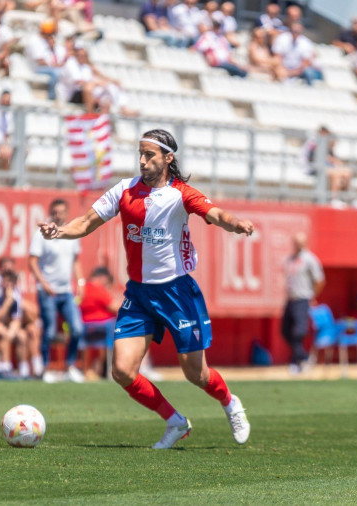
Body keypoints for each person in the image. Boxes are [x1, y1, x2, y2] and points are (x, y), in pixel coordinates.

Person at [38, 128, 252, 449]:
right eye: (140, 154)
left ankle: (230, 403)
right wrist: (59, 232)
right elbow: (85, 222)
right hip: (138, 294)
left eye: (149, 155)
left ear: (168, 158)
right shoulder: (124, 190)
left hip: (177, 293)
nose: (142, 161)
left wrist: (236, 224)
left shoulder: (181, 194)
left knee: (196, 374)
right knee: (122, 371)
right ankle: (175, 421)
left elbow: (216, 213)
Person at [29, 198, 86, 383]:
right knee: (50, 331)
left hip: (66, 291)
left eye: (61, 211)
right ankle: (45, 368)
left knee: (76, 328)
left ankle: (70, 366)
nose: (57, 215)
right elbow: (32, 261)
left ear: (66, 213)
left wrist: (80, 282)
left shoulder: (70, 232)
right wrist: (44, 284)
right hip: (48, 291)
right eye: (55, 211)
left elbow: (75, 260)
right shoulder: (42, 233)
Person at [281, 232, 325, 374]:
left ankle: (296, 362)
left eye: (301, 242)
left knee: (299, 331)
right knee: (285, 331)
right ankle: (304, 357)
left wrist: (312, 295)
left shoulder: (310, 259)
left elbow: (319, 280)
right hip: (291, 299)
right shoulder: (290, 259)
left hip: (303, 298)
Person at [300, 126, 357, 208]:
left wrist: (336, 162)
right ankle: (333, 199)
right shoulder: (313, 143)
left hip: (325, 168)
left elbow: (332, 159)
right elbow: (314, 159)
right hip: (312, 168)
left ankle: (349, 200)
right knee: (335, 174)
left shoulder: (326, 143)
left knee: (347, 172)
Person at [78, 266, 120, 378]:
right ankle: (110, 369)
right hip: (103, 326)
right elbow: (115, 307)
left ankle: (89, 369)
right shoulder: (98, 289)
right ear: (103, 278)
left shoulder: (82, 289)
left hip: (85, 326)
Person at [0, 269, 24, 378]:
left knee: (21, 335)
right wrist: (7, 303)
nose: (7, 284)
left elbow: (17, 319)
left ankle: (22, 369)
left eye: (10, 282)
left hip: (6, 326)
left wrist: (11, 331)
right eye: (6, 281)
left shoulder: (16, 295)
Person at [25, 18, 66, 100]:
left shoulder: (45, 41)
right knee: (56, 73)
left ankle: (62, 97)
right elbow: (41, 62)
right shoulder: (35, 41)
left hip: (47, 67)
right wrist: (56, 65)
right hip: (36, 68)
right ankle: (51, 98)